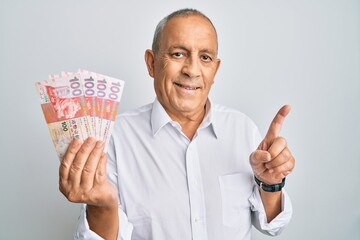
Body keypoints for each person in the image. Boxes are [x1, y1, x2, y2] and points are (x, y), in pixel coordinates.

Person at [59, 8, 295, 240]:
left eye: (205, 57)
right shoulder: (115, 138)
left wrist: (271, 183)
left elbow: (272, 226)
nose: (192, 70)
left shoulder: (242, 129)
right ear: (151, 63)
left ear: (215, 69)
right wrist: (102, 206)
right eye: (178, 54)